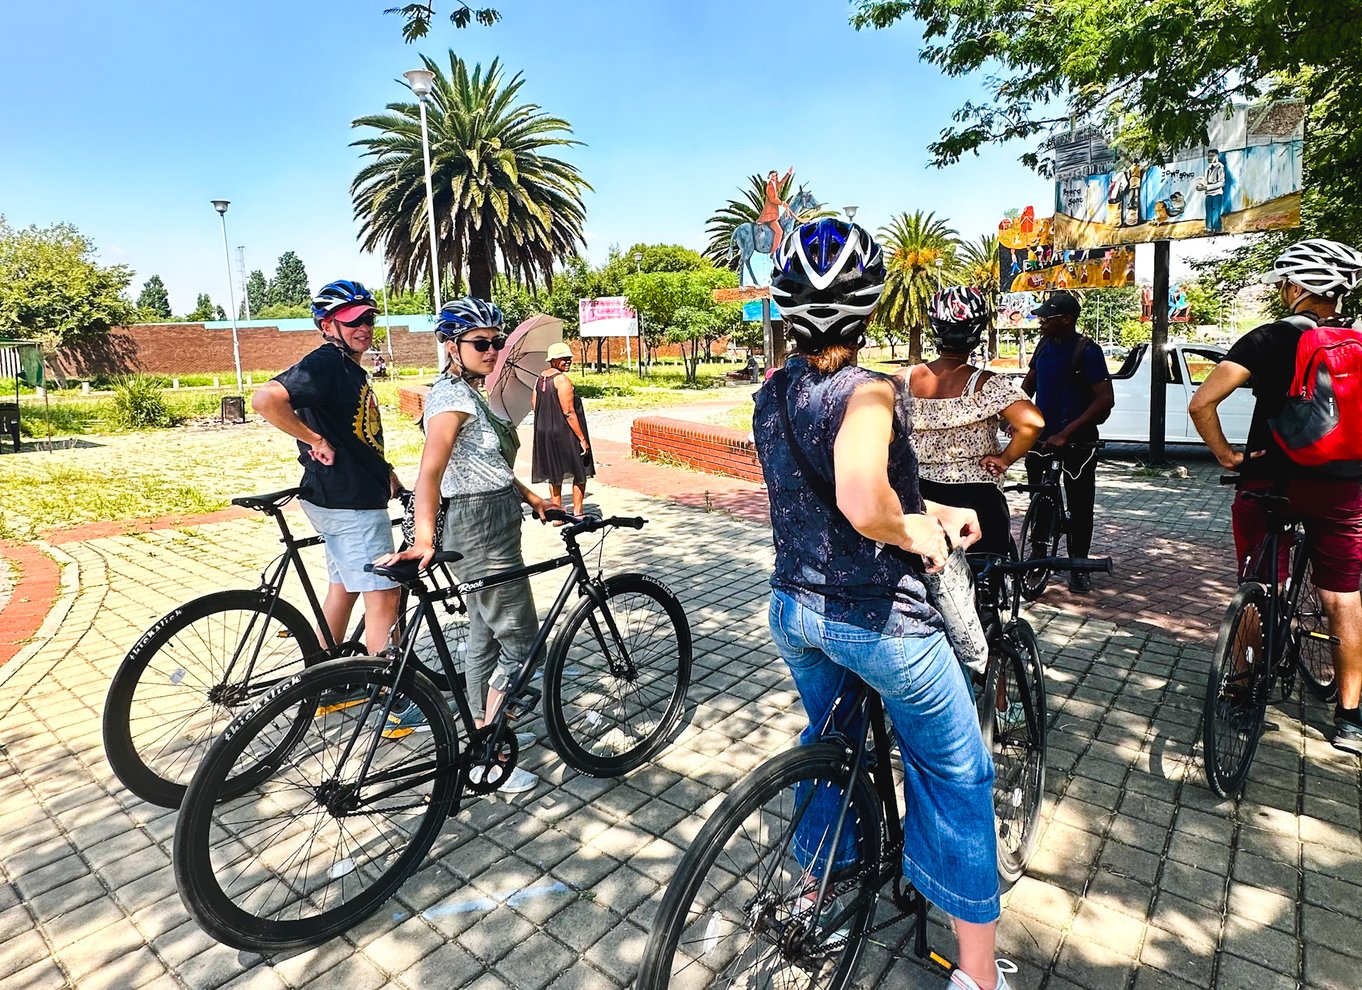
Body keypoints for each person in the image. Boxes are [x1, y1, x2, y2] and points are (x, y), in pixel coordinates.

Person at [756, 219, 1012, 990]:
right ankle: (978, 974)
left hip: (794, 610)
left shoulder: (774, 390)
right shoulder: (868, 389)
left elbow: (830, 487)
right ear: (868, 312)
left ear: (788, 311)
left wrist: (925, 507)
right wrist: (918, 533)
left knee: (833, 742)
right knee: (957, 772)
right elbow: (864, 500)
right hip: (878, 622)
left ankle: (813, 884)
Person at [1188, 238, 1362, 754]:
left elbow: (1202, 404)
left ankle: (1243, 690)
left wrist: (1226, 456)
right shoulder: (1357, 341)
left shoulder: (1267, 339)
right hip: (1343, 489)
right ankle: (1350, 717)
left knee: (1260, 584)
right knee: (1341, 595)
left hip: (1270, 483)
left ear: (1295, 287)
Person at [376, 296, 548, 792]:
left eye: (497, 342)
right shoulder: (450, 398)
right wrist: (425, 538)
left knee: (483, 632)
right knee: (522, 639)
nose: (491, 351)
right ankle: (488, 746)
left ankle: (480, 728)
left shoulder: (470, 392)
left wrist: (533, 497)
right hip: (477, 526)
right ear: (451, 345)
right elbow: (431, 469)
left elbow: (485, 466)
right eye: (480, 343)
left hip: (495, 515)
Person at [250, 279, 401, 658]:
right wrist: (313, 439)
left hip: (340, 494)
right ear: (326, 326)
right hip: (351, 503)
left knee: (345, 586)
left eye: (368, 318)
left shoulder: (350, 368)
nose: (363, 327)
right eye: (351, 321)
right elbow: (265, 399)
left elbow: (356, 435)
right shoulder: (327, 362)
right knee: (383, 595)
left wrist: (386, 472)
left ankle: (321, 672)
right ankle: (392, 693)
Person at [903, 286, 1045, 557]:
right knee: (988, 572)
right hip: (976, 494)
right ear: (976, 332)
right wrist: (1005, 459)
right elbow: (1033, 423)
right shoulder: (989, 384)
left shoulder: (901, 380)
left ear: (935, 329)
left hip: (916, 491)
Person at [1021, 290, 1114, 593]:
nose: (1041, 322)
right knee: (1039, 500)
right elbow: (1029, 385)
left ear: (1067, 320)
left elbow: (1104, 400)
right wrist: (1018, 416)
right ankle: (1037, 555)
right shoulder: (1044, 345)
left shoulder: (1088, 350)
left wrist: (1067, 432)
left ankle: (1078, 564)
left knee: (1080, 503)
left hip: (1078, 443)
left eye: (1047, 317)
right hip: (1042, 440)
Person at [531, 341, 594, 519]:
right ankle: (578, 512)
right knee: (580, 468)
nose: (568, 361)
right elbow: (568, 412)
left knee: (554, 471)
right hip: (564, 431)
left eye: (569, 358)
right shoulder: (561, 380)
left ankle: (557, 514)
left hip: (544, 432)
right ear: (553, 360)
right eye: (563, 358)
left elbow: (535, 406)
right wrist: (581, 438)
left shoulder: (539, 379)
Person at [758, 167, 795, 258]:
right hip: (770, 213)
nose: (774, 177)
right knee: (779, 232)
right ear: (769, 176)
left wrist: (788, 174)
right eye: (772, 176)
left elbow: (782, 182)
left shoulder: (775, 184)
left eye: (775, 175)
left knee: (778, 231)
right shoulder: (769, 186)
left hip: (773, 212)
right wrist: (782, 203)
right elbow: (772, 199)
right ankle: (774, 252)